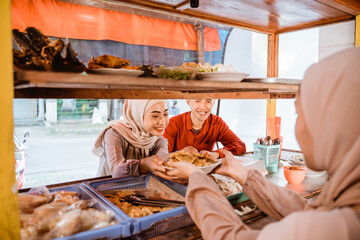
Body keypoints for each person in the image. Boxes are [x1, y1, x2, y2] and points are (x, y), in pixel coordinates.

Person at [166, 48, 360, 239]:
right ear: (188, 101)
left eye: (300, 114)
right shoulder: (343, 206)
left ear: (335, 124)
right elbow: (304, 210)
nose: (296, 128)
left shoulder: (340, 227)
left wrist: (196, 176)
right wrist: (241, 174)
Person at [92, 99, 170, 179]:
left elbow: (162, 162)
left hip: (140, 188)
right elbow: (116, 170)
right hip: (108, 188)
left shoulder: (158, 140)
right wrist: (144, 164)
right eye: (155, 116)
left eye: (166, 114)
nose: (163, 122)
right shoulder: (114, 134)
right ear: (137, 114)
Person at [164, 99, 246, 159]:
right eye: (197, 100)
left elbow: (240, 146)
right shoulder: (173, 123)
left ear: (213, 102)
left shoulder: (217, 123)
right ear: (188, 101)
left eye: (208, 101)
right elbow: (162, 156)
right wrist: (181, 153)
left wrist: (216, 154)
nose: (203, 107)